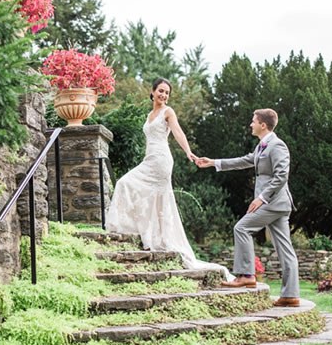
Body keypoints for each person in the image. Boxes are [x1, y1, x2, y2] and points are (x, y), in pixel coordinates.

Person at [106, 78, 233, 281]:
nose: (163, 95)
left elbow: (178, 132)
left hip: (162, 161)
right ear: (153, 91)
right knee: (126, 183)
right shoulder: (149, 115)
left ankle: (160, 236)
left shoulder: (168, 111)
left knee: (131, 185)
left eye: (167, 92)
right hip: (150, 159)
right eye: (160, 91)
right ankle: (149, 233)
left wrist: (189, 153)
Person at [196, 108, 300, 307]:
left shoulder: (277, 146)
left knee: (241, 228)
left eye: (253, 121)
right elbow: (244, 160)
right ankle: (290, 295)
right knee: (285, 250)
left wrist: (261, 198)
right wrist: (214, 163)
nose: (250, 124)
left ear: (263, 124)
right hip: (277, 205)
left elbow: (281, 176)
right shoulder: (262, 146)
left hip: (273, 203)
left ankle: (246, 275)